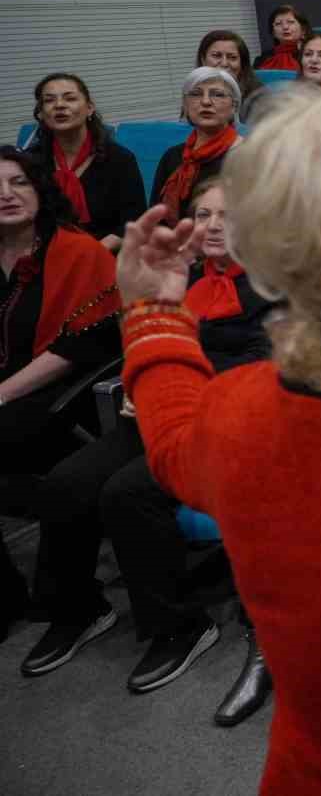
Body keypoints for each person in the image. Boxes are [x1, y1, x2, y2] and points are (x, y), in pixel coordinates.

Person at [17, 180, 271, 709]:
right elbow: (139, 339)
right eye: (202, 214)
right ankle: (78, 609)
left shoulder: (277, 287)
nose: (214, 224)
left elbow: (259, 371)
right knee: (64, 485)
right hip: (157, 410)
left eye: (229, 213)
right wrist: (141, 383)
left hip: (226, 423)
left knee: (126, 493)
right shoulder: (188, 279)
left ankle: (181, 626)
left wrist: (168, 384)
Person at [0, 146, 121, 647]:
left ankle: (65, 601)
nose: (5, 195)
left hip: (61, 394)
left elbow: (83, 345)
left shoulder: (77, 251)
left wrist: (1, 393)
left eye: (17, 183)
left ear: (39, 190)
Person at [25, 74, 144, 247]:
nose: (59, 105)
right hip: (47, 253)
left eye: (70, 98)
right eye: (49, 101)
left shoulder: (119, 159)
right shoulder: (31, 162)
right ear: (41, 114)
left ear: (89, 108)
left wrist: (91, 254)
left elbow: (134, 221)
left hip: (105, 253)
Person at [152, 68, 244, 219]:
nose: (206, 101)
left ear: (233, 106)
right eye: (196, 94)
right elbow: (155, 218)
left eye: (217, 94)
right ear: (185, 105)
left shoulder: (249, 156)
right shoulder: (172, 156)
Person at [197, 30, 263, 116]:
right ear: (203, 60)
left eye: (232, 57)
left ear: (242, 63)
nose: (224, 63)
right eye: (216, 55)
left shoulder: (257, 96)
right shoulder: (194, 92)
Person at [255, 5, 310, 71]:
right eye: (278, 24)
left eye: (290, 22)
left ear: (303, 30)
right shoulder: (263, 59)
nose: (285, 27)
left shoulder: (311, 56)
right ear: (273, 32)